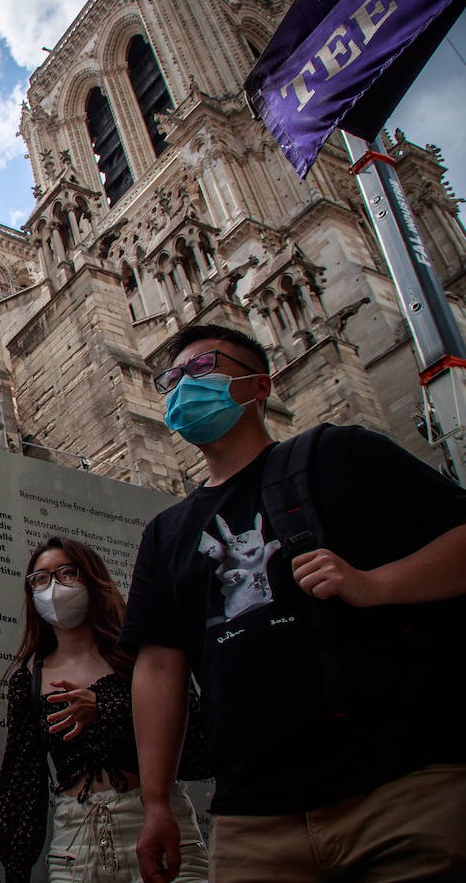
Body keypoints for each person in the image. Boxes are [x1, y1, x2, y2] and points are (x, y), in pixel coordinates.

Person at [122, 323, 466, 883]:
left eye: (204, 367)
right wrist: (157, 802)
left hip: (398, 791)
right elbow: (160, 666)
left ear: (260, 386)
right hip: (253, 820)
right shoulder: (166, 532)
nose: (185, 384)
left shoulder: (339, 452)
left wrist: (376, 584)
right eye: (173, 376)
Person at [0, 536, 208, 883]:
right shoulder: (29, 680)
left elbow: (199, 747)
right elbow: (22, 778)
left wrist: (108, 708)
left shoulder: (142, 658)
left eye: (67, 573)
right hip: (75, 843)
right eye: (41, 579)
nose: (53, 588)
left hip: (157, 824)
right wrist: (15, 867)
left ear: (91, 577)